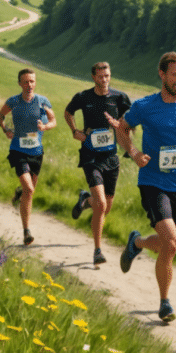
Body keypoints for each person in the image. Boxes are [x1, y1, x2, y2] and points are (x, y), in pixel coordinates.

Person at [116, 52, 176, 323]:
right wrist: (134, 153)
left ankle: (136, 242)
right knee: (170, 242)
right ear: (162, 74)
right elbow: (122, 129)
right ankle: (164, 303)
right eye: (174, 75)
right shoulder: (145, 106)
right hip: (152, 182)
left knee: (168, 246)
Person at [63, 61, 131, 265]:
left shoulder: (119, 98)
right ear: (93, 77)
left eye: (107, 75)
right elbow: (68, 113)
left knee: (105, 208)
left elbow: (132, 118)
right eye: (101, 76)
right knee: (101, 204)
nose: (105, 79)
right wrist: (75, 131)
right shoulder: (83, 97)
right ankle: (97, 250)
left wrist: (123, 125)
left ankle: (85, 200)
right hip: (90, 156)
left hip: (111, 158)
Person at [0, 68, 56, 246]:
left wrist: (45, 127)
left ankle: (20, 193)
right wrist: (6, 129)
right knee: (29, 190)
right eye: (25, 81)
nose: (29, 85)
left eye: (32, 81)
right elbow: (0, 116)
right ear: (20, 83)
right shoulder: (13, 102)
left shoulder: (42, 102)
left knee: (28, 193)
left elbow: (53, 121)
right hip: (18, 151)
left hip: (37, 153)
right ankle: (26, 231)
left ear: (35, 83)